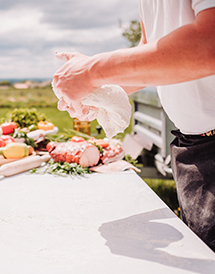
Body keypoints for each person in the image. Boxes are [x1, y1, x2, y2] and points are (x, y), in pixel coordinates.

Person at [52, 0, 215, 251]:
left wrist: (92, 71)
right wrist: (100, 94)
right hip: (191, 148)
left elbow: (208, 43)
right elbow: (152, 50)